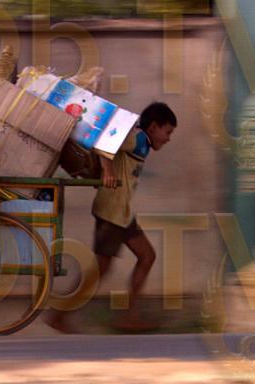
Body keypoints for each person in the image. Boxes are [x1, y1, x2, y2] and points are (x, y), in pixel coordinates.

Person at [46, 102, 177, 333]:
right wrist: (107, 170)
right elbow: (103, 141)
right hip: (111, 212)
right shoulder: (136, 139)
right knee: (101, 269)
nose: (168, 139)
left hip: (122, 213)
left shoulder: (142, 143)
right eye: (167, 132)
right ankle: (60, 315)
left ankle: (129, 316)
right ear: (153, 127)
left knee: (147, 256)